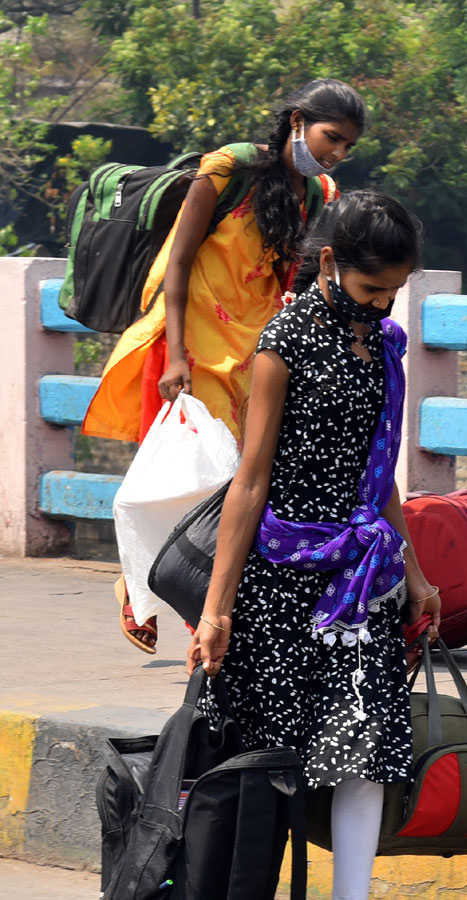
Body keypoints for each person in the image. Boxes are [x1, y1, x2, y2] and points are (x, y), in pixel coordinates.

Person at [187, 190, 439, 900]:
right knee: (276, 756)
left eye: (393, 291)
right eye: (369, 289)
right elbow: (251, 480)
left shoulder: (386, 343)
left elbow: (380, 474)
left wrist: (415, 575)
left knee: (365, 750)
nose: (381, 305)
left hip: (363, 580)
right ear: (328, 263)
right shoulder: (283, 342)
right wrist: (217, 610)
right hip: (281, 579)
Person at [83, 78, 366, 654]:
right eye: (330, 137)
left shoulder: (320, 193)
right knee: (201, 478)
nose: (334, 153)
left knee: (236, 481)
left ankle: (174, 598)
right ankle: (157, 596)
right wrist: (178, 355)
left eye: (346, 146)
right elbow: (181, 258)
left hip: (256, 349)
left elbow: (298, 279)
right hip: (193, 343)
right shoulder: (229, 168)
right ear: (296, 121)